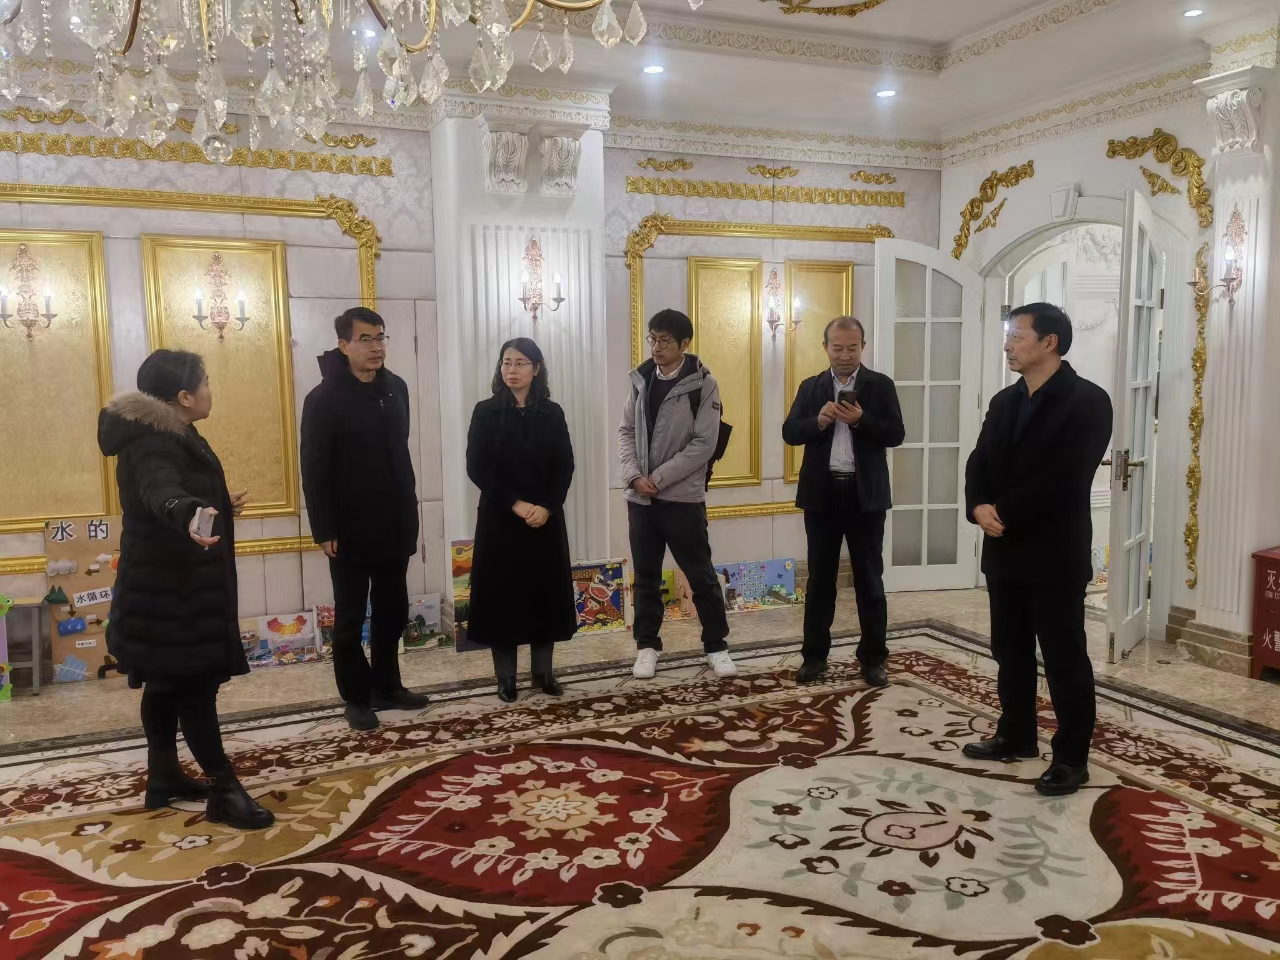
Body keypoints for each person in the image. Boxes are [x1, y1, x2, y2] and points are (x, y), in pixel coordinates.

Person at [98, 350, 273, 830]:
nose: (210, 390)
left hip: (167, 590)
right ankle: (224, 790)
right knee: (195, 687)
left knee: (165, 683)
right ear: (183, 396)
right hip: (173, 595)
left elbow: (174, 488)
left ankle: (164, 777)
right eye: (205, 382)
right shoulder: (153, 442)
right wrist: (190, 511)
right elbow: (162, 491)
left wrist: (215, 504)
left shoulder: (167, 433)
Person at [963, 303, 1112, 797]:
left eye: (1017, 336)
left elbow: (1067, 477)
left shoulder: (1088, 401)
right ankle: (1016, 734)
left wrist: (1002, 510)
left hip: (1054, 550)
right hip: (1004, 548)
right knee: (1009, 649)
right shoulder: (1005, 400)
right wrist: (978, 506)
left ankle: (1071, 757)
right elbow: (979, 460)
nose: (1008, 345)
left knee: (1064, 656)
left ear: (1050, 343)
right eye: (1008, 336)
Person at [300, 307, 428, 731]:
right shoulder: (323, 399)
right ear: (344, 345)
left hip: (395, 521)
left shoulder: (397, 388)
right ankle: (356, 697)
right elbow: (314, 469)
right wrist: (324, 528)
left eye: (381, 337)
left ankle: (387, 686)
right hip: (348, 528)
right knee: (351, 617)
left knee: (393, 610)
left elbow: (400, 455)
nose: (376, 347)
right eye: (366, 339)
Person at [783, 316, 905, 687]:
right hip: (822, 496)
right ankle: (814, 658)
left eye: (852, 348)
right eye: (837, 348)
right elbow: (790, 432)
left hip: (865, 496)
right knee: (820, 580)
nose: (845, 355)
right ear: (826, 348)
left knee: (870, 579)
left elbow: (896, 434)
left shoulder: (880, 385)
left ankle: (873, 659)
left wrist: (861, 420)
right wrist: (818, 422)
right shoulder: (811, 386)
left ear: (863, 347)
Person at [620, 308, 734, 680]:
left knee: (700, 575)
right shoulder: (640, 380)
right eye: (653, 338)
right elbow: (626, 431)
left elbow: (704, 443)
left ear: (684, 344)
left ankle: (716, 646)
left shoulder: (703, 384)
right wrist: (634, 476)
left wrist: (659, 477)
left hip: (682, 498)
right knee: (646, 577)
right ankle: (647, 646)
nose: (656, 347)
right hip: (641, 499)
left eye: (665, 340)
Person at [465, 338, 577, 702]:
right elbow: (477, 466)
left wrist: (547, 506)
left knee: (543, 595)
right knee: (503, 596)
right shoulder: (485, 411)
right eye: (506, 362)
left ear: (536, 369)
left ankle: (543, 673)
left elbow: (564, 464)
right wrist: (515, 503)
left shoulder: (552, 412)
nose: (511, 370)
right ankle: (506, 678)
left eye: (520, 363)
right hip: (501, 519)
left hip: (544, 520)